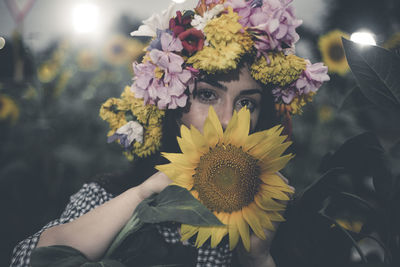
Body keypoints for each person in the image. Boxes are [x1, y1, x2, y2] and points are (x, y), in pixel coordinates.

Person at [11, 0, 329, 266]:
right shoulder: (111, 195)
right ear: (173, 107)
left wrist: (259, 259)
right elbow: (27, 259)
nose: (228, 119)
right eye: (207, 95)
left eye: (247, 103)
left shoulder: (280, 213)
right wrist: (143, 196)